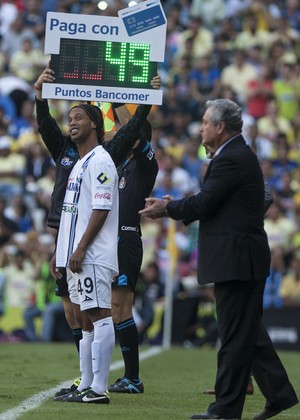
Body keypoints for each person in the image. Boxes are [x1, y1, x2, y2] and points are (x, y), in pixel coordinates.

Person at [139, 98, 299, 420]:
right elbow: (214, 203)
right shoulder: (236, 155)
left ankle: (225, 411)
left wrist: (168, 209)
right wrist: (179, 204)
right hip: (241, 258)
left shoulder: (232, 158)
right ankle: (279, 394)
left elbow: (206, 203)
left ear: (220, 127)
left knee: (233, 336)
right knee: (246, 333)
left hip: (237, 260)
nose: (200, 128)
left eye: (204, 122)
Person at [34, 63, 161, 398]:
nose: (71, 122)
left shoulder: (107, 158)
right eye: (70, 118)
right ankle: (86, 380)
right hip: (69, 239)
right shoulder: (72, 158)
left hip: (102, 244)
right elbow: (46, 124)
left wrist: (143, 97)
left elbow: (133, 128)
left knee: (102, 311)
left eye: (79, 117)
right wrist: (40, 95)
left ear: (95, 124)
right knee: (77, 313)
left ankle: (106, 383)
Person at [108, 112, 159, 394]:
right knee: (110, 310)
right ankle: (125, 376)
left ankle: (133, 378)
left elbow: (138, 134)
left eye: (129, 133)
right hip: (110, 241)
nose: (122, 135)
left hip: (126, 241)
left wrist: (130, 107)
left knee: (120, 308)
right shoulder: (121, 165)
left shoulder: (144, 165)